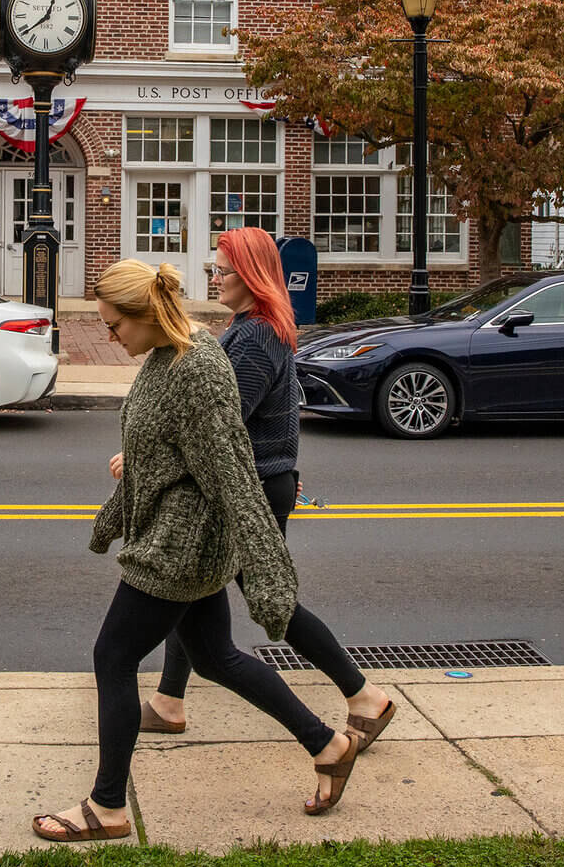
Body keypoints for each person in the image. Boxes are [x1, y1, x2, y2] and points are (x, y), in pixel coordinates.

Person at [31, 259, 358, 844]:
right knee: (214, 656)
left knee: (113, 655)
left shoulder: (198, 369)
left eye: (114, 326)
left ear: (148, 315)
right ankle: (328, 743)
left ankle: (107, 807)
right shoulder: (165, 358)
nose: (110, 337)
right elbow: (162, 455)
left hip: (180, 546)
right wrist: (115, 516)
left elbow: (232, 472)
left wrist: (265, 567)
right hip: (178, 536)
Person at [131, 226, 397, 755]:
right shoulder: (251, 325)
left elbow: (221, 421)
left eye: (222, 269)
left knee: (268, 597)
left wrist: (148, 455)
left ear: (250, 276)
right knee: (194, 583)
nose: (214, 275)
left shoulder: (256, 335)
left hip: (249, 486)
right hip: (252, 480)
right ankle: (168, 701)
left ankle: (364, 695)